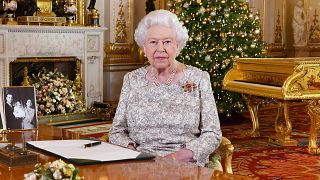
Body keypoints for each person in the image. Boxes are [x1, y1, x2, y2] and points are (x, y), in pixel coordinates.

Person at [109, 9, 222, 167]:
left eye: (167, 42)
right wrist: (130, 151)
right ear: (144, 47)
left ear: (178, 45)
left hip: (184, 163)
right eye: (153, 42)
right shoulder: (132, 79)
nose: (160, 48)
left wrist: (180, 156)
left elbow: (213, 134)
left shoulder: (199, 78)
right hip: (140, 162)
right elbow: (117, 131)